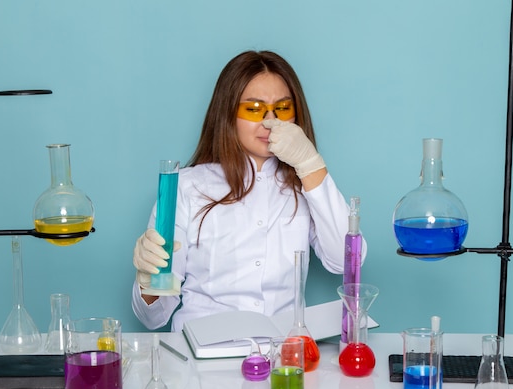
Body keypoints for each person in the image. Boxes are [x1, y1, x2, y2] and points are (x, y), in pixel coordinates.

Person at [132, 50, 366, 331]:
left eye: (282, 109)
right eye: (254, 109)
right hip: (200, 359)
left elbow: (346, 263)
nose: (270, 120)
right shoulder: (185, 187)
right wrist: (148, 277)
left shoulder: (305, 187)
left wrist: (310, 164)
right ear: (228, 114)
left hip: (284, 357)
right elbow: (153, 318)